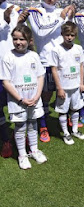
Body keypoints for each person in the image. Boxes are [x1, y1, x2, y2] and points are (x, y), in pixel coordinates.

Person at [28, 0, 75, 143]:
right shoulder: (35, 11)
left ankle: (66, 119)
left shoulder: (63, 11)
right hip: (46, 61)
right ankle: (43, 126)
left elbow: (70, 33)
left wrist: (71, 18)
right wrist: (61, 19)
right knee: (45, 96)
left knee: (66, 92)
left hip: (64, 61)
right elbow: (40, 32)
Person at [0, 25, 47, 169]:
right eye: (15, 39)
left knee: (33, 124)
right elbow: (6, 82)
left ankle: (34, 150)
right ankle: (22, 154)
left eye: (22, 39)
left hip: (34, 99)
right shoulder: (8, 57)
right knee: (20, 126)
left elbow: (40, 76)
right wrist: (20, 99)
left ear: (29, 40)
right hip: (18, 101)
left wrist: (37, 95)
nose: (18, 42)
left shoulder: (34, 55)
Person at [0, 0, 29, 158]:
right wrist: (4, 20)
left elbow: (16, 35)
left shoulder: (13, 9)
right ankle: (5, 140)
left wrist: (20, 23)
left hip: (14, 65)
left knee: (18, 102)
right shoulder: (7, 12)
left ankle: (19, 136)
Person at [48, 22, 84, 145]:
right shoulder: (56, 50)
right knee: (63, 110)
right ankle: (66, 133)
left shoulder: (79, 49)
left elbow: (81, 66)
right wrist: (59, 88)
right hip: (64, 87)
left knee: (75, 109)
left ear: (75, 35)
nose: (69, 37)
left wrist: (81, 83)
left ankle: (75, 130)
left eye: (72, 35)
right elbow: (54, 69)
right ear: (62, 34)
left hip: (76, 86)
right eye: (67, 35)